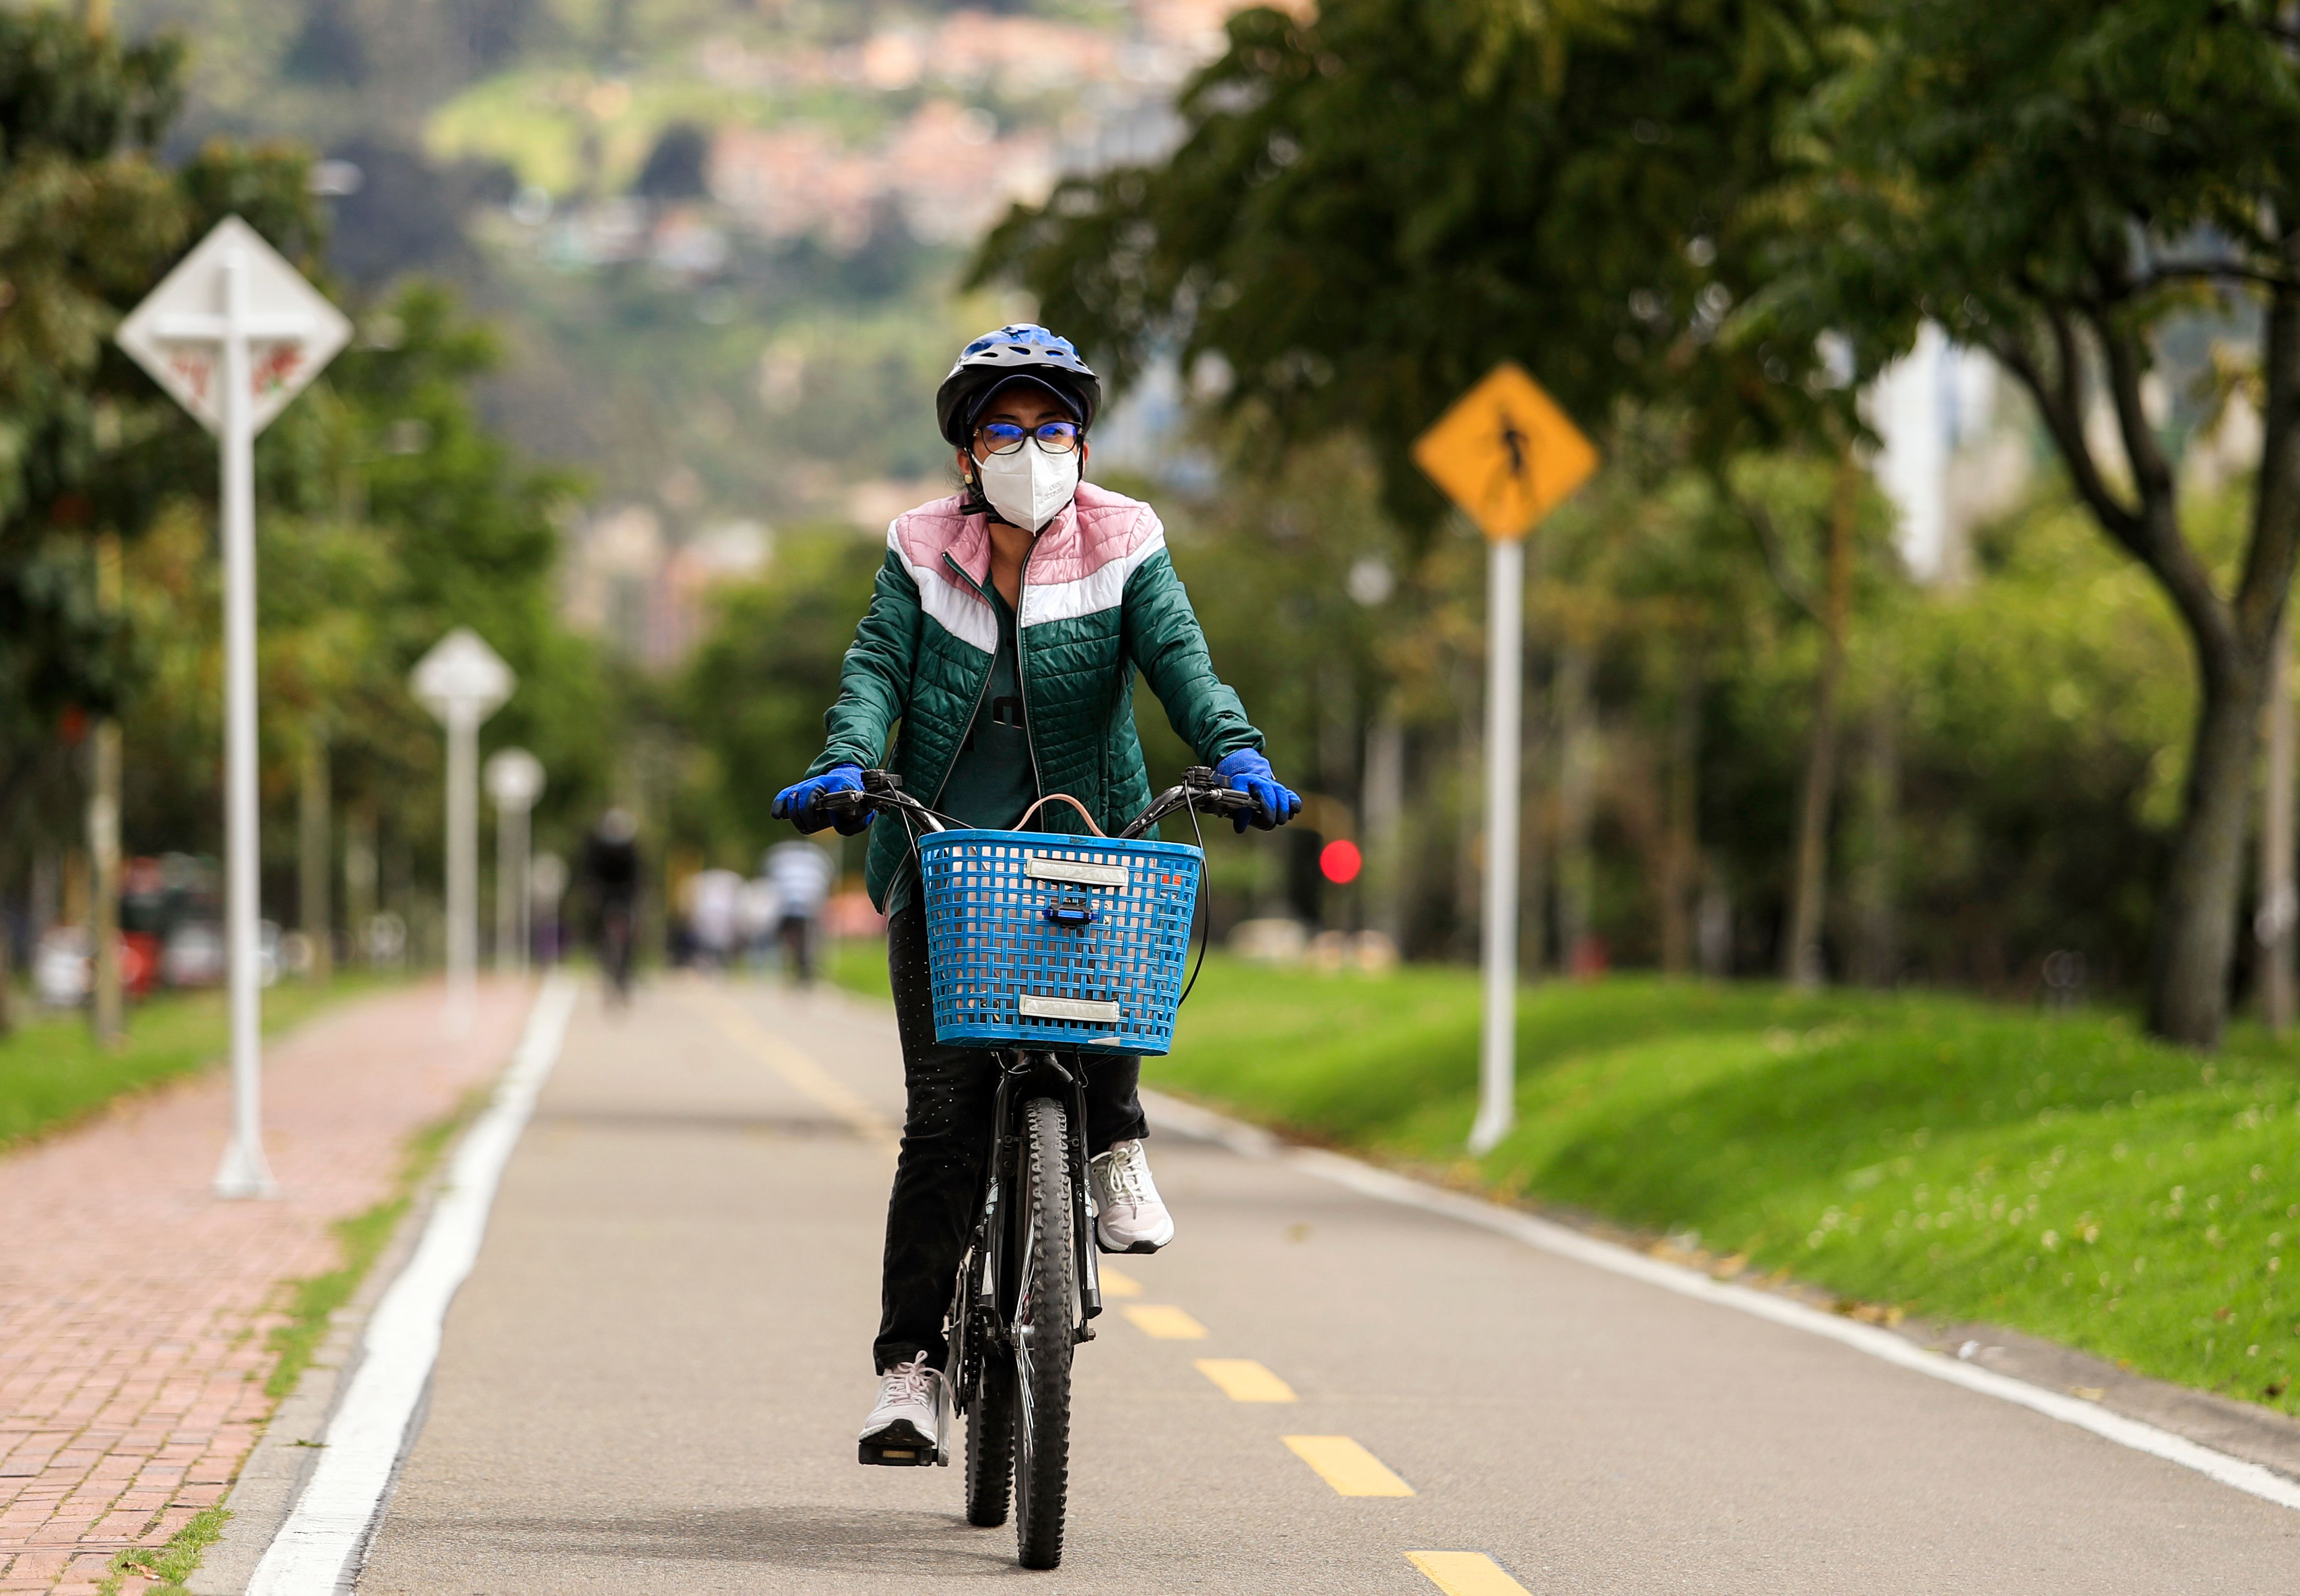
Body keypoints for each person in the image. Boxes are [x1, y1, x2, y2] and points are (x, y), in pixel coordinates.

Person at [770, 324, 1302, 1462]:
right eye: (1004, 430)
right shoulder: (919, 547)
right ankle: (911, 1371)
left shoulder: (1125, 538)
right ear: (967, 453)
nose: (1030, 448)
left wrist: (1237, 752)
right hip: (946, 855)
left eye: (1051, 428)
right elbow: (875, 665)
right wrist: (848, 762)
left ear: (1084, 442)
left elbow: (1181, 661)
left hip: (1080, 842)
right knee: (945, 1120)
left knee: (1110, 992)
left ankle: (1111, 1139)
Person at [583, 808, 641, 1002]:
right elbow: (591, 872)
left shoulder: (630, 848)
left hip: (625, 893)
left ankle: (625, 972)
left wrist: (637, 893)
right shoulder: (599, 847)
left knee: (630, 929)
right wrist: (593, 891)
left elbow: (638, 875)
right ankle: (599, 951)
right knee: (598, 922)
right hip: (605, 893)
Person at [762, 838, 835, 984]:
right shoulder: (816, 860)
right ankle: (804, 965)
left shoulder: (780, 859)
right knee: (810, 938)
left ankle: (785, 963)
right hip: (807, 908)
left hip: (789, 907)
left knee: (783, 936)